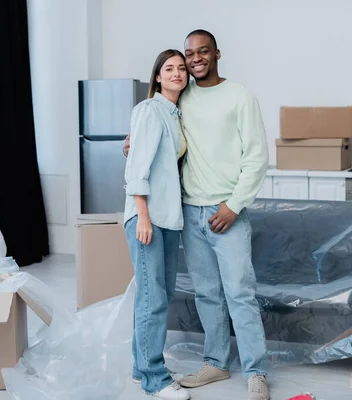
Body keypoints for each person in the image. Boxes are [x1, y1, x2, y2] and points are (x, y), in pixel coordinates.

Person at [123, 30, 271, 400]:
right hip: (187, 212)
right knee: (206, 293)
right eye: (188, 54)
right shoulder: (177, 98)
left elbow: (256, 157)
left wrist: (234, 205)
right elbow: (150, 142)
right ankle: (216, 363)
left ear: (217, 53)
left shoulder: (240, 96)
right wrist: (130, 145)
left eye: (202, 51)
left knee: (239, 293)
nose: (194, 59)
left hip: (227, 211)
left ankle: (255, 372)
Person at [123, 49, 191, 400]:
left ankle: (140, 368)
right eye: (169, 68)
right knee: (154, 300)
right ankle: (155, 379)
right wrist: (143, 216)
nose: (177, 73)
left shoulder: (175, 114)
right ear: (158, 76)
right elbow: (137, 171)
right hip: (148, 217)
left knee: (155, 296)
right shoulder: (149, 109)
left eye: (182, 68)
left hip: (167, 217)